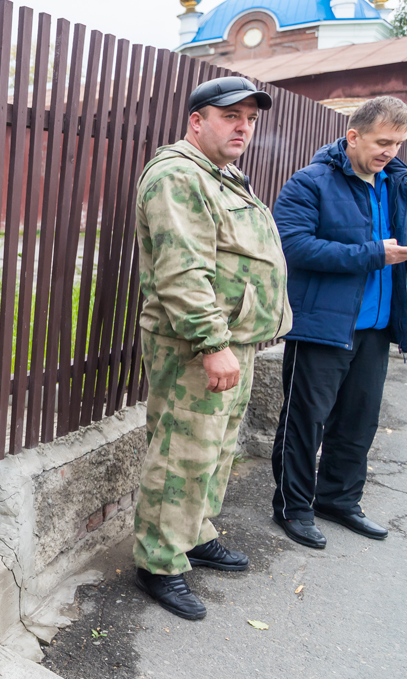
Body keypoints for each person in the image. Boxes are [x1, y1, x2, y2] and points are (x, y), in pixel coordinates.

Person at [131, 77, 292, 621]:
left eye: (249, 116)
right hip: (196, 345)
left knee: (216, 450)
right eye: (230, 115)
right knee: (183, 454)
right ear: (197, 121)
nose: (243, 125)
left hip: (232, 339)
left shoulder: (222, 174)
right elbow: (182, 271)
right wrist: (211, 343)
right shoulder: (178, 175)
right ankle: (158, 562)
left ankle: (194, 534)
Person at [270, 96, 407, 549]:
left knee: (359, 420)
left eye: (399, 142)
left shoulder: (397, 184)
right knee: (306, 419)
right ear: (353, 136)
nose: (391, 151)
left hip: (377, 326)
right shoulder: (310, 183)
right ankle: (294, 506)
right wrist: (372, 254)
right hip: (324, 325)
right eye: (382, 141)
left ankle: (339, 500)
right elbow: (292, 246)